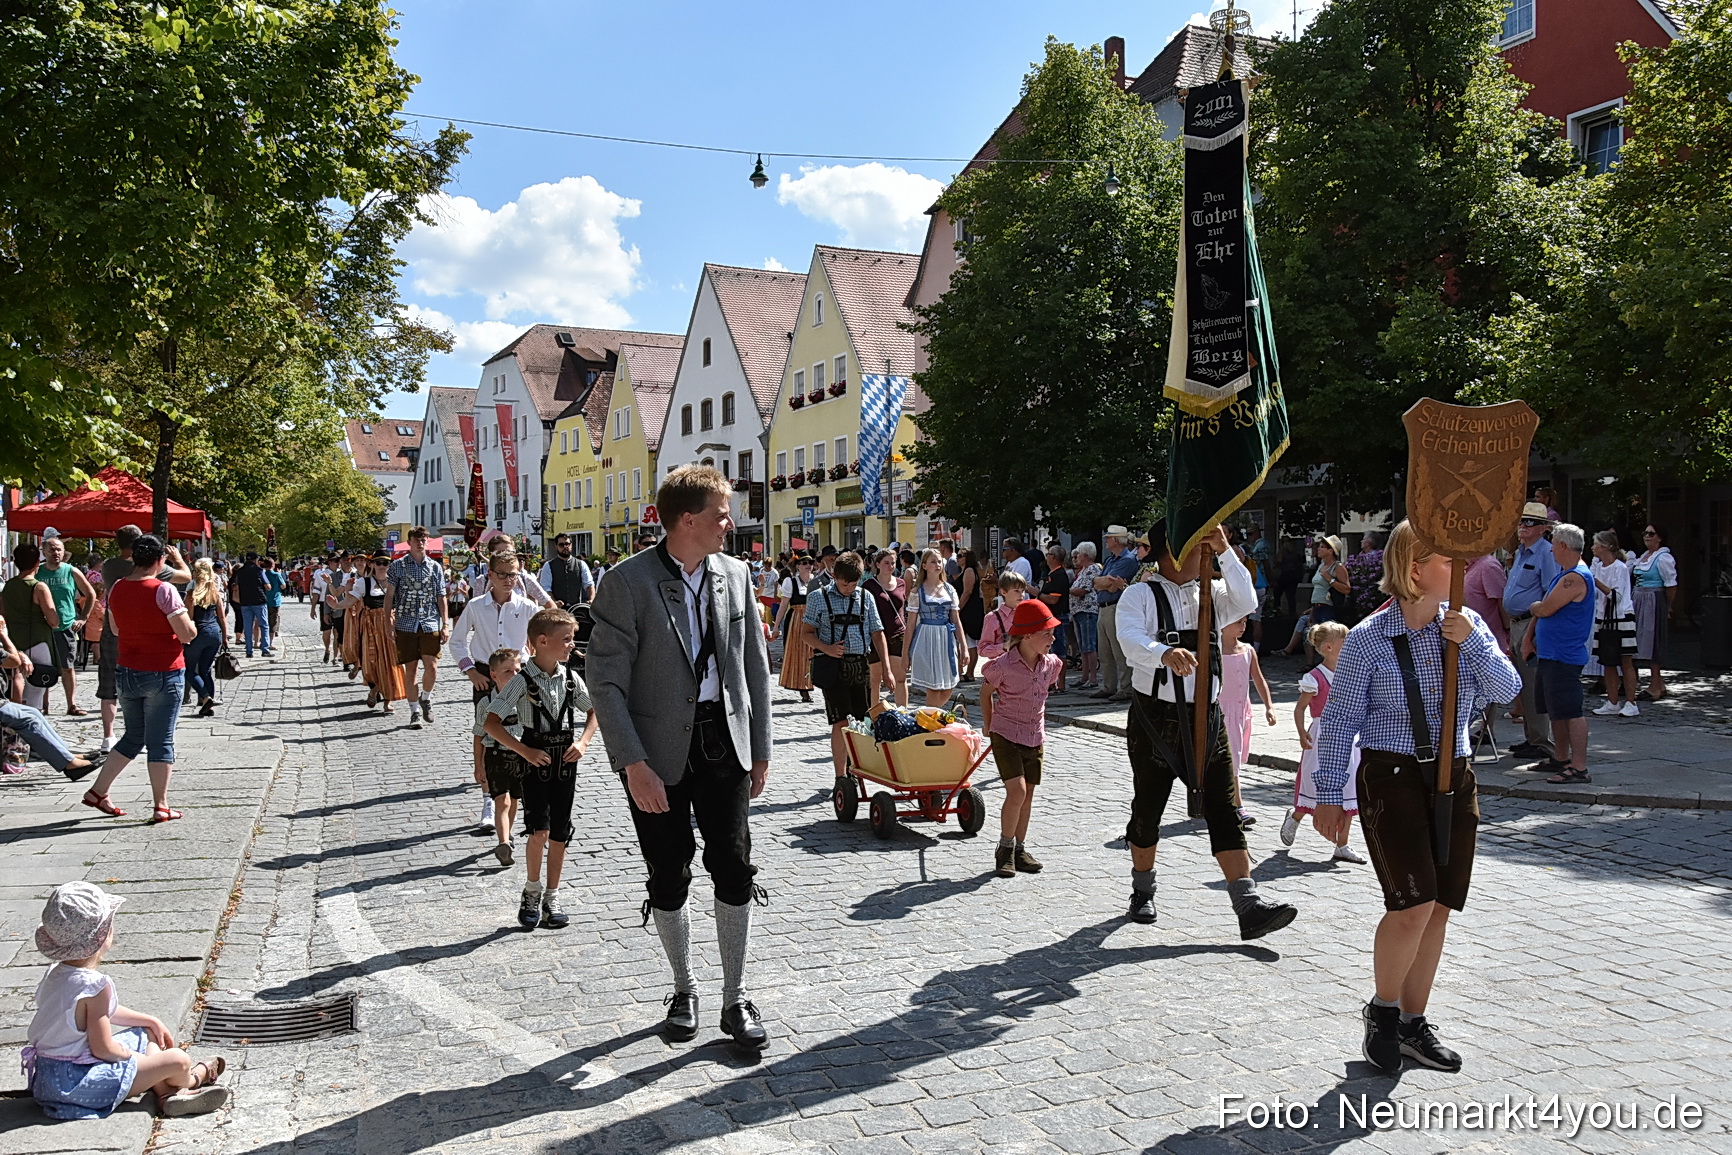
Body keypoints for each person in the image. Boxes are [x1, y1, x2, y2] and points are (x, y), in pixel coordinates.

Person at [1313, 520, 1521, 1076]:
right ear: (1413, 568)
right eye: (1448, 560)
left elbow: (1508, 690)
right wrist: (1329, 794)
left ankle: (1412, 1023)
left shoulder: (1466, 624)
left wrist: (1470, 640)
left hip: (1455, 775)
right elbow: (1340, 722)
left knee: (1440, 907)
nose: (1461, 568)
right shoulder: (1368, 637)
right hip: (1392, 777)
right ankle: (1382, 1012)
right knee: (1412, 903)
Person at [587, 464, 775, 1050]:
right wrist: (632, 764)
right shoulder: (626, 582)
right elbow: (605, 683)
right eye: (722, 514)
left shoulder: (735, 575)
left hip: (725, 742)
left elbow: (753, 667)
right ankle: (684, 987)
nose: (730, 523)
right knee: (668, 873)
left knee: (734, 866)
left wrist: (761, 749)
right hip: (656, 754)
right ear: (687, 520)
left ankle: (735, 997)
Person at [1116, 523, 1296, 938]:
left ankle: (1248, 904)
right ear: (1172, 553)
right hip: (1155, 718)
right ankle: (1143, 890)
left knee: (1225, 808)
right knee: (1148, 807)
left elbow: (1247, 600)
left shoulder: (1211, 594)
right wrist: (1163, 653)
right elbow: (1129, 639)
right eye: (1197, 546)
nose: (1204, 554)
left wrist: (1226, 549)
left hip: (1208, 718)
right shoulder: (1139, 595)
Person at [26, 882, 228, 1120]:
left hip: (47, 1080)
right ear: (103, 935)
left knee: (147, 1033)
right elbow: (104, 1049)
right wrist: (140, 1061)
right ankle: (191, 1081)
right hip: (78, 1085)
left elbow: (98, 1013)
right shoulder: (94, 986)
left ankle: (166, 1095)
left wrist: (150, 1020)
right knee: (178, 1060)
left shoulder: (55, 974)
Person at [484, 608, 598, 931]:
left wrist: (583, 742)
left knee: (561, 832)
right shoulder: (521, 681)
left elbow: (595, 711)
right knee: (539, 831)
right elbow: (491, 723)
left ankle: (553, 897)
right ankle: (532, 891)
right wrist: (525, 750)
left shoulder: (571, 679)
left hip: (565, 763)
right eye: (567, 639)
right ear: (543, 642)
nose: (572, 645)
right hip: (535, 762)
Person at [81, 535, 198, 823]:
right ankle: (161, 804)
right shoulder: (163, 590)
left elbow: (116, 629)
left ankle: (98, 790)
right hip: (163, 670)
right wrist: (191, 624)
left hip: (128, 669)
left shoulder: (118, 587)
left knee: (133, 736)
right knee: (161, 740)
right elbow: (186, 634)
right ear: (160, 560)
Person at [451, 555, 539, 831]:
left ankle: (520, 797)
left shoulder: (527, 606)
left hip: (518, 676)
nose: (509, 580)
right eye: (503, 574)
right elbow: (456, 642)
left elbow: (539, 641)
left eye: (514, 575)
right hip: (485, 676)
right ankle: (489, 799)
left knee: (523, 732)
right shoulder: (476, 606)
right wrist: (471, 672)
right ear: (490, 575)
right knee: (488, 735)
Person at [981, 600, 1063, 878]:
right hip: (1005, 733)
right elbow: (985, 693)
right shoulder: (1003, 666)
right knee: (1017, 791)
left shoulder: (1051, 665)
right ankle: (1004, 849)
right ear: (1027, 635)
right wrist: (988, 725)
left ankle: (1020, 849)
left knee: (1027, 794)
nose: (1053, 638)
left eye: (1053, 633)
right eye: (1047, 633)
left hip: (1034, 735)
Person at [96, 527, 189, 754]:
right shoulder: (157, 576)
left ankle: (108, 735)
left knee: (109, 688)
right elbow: (186, 576)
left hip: (116, 633)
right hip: (153, 646)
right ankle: (148, 737)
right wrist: (177, 559)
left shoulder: (109, 568)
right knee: (153, 699)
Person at [1279, 619, 1365, 862]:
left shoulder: (1351, 673)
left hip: (1349, 735)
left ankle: (1342, 844)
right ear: (1328, 647)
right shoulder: (1315, 677)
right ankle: (1296, 816)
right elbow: (1300, 708)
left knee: (1349, 787)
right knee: (1313, 783)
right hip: (1322, 735)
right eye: (1344, 641)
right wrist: (1301, 732)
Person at [804, 551, 891, 783]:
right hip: (833, 667)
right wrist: (826, 648)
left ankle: (856, 770)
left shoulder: (865, 597)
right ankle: (840, 776)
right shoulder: (818, 597)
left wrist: (887, 669)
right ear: (834, 576)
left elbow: (877, 634)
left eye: (853, 584)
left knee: (862, 722)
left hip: (860, 665)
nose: (849, 589)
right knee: (841, 721)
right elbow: (806, 633)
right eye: (845, 584)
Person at [1522, 523, 1593, 784]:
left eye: (1553, 545)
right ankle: (1561, 757)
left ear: (1563, 545)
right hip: (1551, 654)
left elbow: (1545, 608)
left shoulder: (1575, 577)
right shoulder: (1564, 574)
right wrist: (1529, 637)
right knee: (1556, 710)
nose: (1551, 550)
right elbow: (1545, 609)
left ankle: (1579, 767)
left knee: (1570, 711)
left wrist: (1534, 606)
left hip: (1564, 655)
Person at [1504, 502, 1561, 759]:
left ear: (1543, 528)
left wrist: (1533, 632)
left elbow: (1550, 595)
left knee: (1533, 684)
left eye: (1530, 522)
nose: (1523, 527)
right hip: (1517, 623)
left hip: (1531, 624)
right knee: (1523, 685)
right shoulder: (1520, 552)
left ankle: (1541, 741)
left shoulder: (1546, 553)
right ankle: (1531, 737)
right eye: (1521, 521)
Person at [385, 527, 450, 729]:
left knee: (432, 666)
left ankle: (426, 697)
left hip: (429, 621)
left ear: (427, 542)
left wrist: (445, 624)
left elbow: (441, 597)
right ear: (410, 542)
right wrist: (388, 622)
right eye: (416, 540)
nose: (420, 543)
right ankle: (414, 712)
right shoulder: (398, 566)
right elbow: (389, 596)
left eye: (423, 540)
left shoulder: (435, 567)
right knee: (411, 669)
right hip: (405, 622)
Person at [1218, 615, 1277, 831]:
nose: (1243, 626)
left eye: (1245, 622)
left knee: (1234, 756)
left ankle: (1220, 800)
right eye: (1237, 622)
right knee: (1231, 758)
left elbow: (1258, 679)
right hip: (1221, 711)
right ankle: (1238, 806)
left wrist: (1269, 706)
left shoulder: (1248, 650)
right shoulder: (1214, 651)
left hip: (1241, 711)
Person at [334, 554, 407, 713]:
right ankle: (374, 687)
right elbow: (350, 601)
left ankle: (387, 700)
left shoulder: (396, 582)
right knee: (371, 660)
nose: (382, 566)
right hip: (371, 627)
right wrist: (336, 605)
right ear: (372, 564)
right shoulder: (364, 583)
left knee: (391, 661)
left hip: (391, 625)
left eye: (385, 563)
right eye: (378, 563)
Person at [473, 648, 527, 865]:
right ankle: (503, 842)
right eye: (508, 672)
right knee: (501, 800)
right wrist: (478, 766)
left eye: (518, 670)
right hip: (496, 756)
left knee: (514, 799)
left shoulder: (525, 700)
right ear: (493, 675)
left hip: (521, 757)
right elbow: (478, 736)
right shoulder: (486, 703)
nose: (514, 675)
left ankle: (508, 834)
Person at [39, 536, 97, 716]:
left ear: (64, 552)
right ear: (44, 551)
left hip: (66, 626)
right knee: (44, 667)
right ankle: (43, 705)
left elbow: (90, 594)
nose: (55, 553)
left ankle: (71, 704)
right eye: (51, 549)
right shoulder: (38, 572)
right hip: (43, 627)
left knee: (68, 666)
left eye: (58, 549)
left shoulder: (71, 571)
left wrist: (83, 618)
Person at [2, 542, 61, 713]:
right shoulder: (38, 587)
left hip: (14, 641)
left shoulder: (8, 586)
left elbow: (3, 614)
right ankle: (33, 718)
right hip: (39, 641)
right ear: (37, 563)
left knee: (17, 682)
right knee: (37, 687)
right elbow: (53, 620)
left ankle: (17, 718)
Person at [906, 548, 968, 708]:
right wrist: (905, 653)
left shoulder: (949, 589)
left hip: (946, 639)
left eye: (939, 561)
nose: (937, 565)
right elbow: (910, 625)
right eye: (933, 562)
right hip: (926, 639)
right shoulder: (917, 591)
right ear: (924, 565)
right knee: (933, 688)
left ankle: (930, 715)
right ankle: (931, 718)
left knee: (948, 687)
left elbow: (956, 620)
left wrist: (964, 647)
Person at [1589, 531, 1639, 718]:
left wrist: (1595, 582)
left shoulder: (1620, 568)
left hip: (1621, 617)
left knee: (1626, 660)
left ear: (1605, 546)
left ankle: (1631, 702)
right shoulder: (1598, 567)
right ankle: (1612, 701)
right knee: (1607, 661)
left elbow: (1616, 595)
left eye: (1595, 544)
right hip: (1603, 617)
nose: (1592, 548)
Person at [1092, 527, 1140, 702]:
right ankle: (1109, 686)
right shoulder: (1111, 559)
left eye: (1109, 538)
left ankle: (1126, 688)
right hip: (1104, 607)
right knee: (1105, 651)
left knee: (1119, 650)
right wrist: (1103, 583)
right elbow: (1099, 582)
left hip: (1115, 607)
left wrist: (1103, 583)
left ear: (1117, 540)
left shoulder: (1127, 560)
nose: (1106, 540)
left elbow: (1109, 583)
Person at [1631, 524, 1677, 702]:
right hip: (1639, 599)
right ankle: (1659, 684)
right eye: (1645, 533)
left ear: (1660, 537)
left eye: (1651, 534)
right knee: (1640, 641)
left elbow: (1671, 585)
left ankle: (1655, 685)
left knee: (1653, 641)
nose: (1647, 536)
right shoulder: (1644, 556)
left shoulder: (1663, 558)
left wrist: (1667, 605)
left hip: (1653, 600)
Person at [182, 560, 229, 718]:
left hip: (198, 634)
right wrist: (224, 637)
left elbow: (189, 618)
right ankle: (207, 705)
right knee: (206, 670)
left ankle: (205, 697)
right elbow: (222, 617)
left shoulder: (191, 594)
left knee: (189, 669)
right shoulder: (215, 592)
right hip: (214, 633)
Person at [862, 549, 908, 707]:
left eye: (893, 563)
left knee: (900, 678)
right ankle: (873, 715)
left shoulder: (901, 583)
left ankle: (902, 713)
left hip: (897, 634)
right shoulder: (869, 585)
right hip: (875, 635)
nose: (890, 566)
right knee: (875, 680)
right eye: (886, 563)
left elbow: (904, 608)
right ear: (878, 564)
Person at [772, 555, 819, 704]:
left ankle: (813, 681)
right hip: (797, 620)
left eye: (810, 562)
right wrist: (776, 626)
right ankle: (803, 688)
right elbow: (783, 605)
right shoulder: (790, 582)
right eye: (804, 563)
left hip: (814, 619)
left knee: (814, 653)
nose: (808, 565)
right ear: (798, 566)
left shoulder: (816, 581)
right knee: (800, 653)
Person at [1069, 542, 1102, 690]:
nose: (1077, 557)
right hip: (1079, 611)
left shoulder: (1092, 569)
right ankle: (1084, 676)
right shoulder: (1083, 570)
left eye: (1079, 554)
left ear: (1086, 555)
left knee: (1089, 645)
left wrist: (1067, 590)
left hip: (1087, 610)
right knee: (1083, 646)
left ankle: (1093, 678)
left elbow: (1083, 590)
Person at [1039, 545, 1072, 693]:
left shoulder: (1059, 575)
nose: (1046, 557)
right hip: (1049, 617)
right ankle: (1052, 682)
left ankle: (1060, 683)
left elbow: (1053, 599)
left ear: (1053, 557)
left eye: (1048, 554)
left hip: (1058, 617)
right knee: (1050, 651)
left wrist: (1037, 593)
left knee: (1059, 651)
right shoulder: (1052, 574)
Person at [977, 570, 1028, 660]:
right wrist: (1005, 646)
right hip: (1002, 664)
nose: (1021, 595)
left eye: (1023, 591)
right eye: (1016, 591)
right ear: (1004, 592)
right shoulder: (992, 618)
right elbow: (982, 649)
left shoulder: (1027, 614)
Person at [539, 533, 594, 609]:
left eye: (567, 544)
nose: (565, 547)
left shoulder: (581, 564)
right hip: (556, 610)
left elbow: (589, 585)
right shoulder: (548, 565)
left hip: (576, 609)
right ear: (556, 547)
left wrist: (591, 600)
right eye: (561, 545)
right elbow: (545, 588)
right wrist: (554, 603)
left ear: (571, 545)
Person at [954, 548, 985, 681]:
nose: (957, 558)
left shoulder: (969, 570)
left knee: (970, 641)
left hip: (969, 609)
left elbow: (967, 591)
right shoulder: (964, 571)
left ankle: (970, 672)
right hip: (968, 608)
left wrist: (958, 609)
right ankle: (962, 671)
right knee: (965, 641)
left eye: (960, 556)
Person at [1308, 535, 1350, 626]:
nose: (1318, 549)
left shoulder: (1338, 567)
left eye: (1322, 547)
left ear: (1330, 551)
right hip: (1316, 608)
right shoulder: (1321, 565)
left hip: (1328, 609)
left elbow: (1347, 589)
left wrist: (1330, 579)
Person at [308, 556, 336, 663]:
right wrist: (313, 608)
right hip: (325, 604)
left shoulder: (341, 574)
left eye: (338, 561)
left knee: (337, 632)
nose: (337, 563)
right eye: (335, 561)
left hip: (338, 604)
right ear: (329, 562)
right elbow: (316, 592)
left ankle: (336, 656)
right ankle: (327, 649)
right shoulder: (321, 574)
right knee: (327, 631)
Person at [261, 557, 286, 642]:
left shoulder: (262, 574)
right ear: (273, 565)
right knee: (273, 622)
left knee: (264, 621)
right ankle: (270, 642)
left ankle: (263, 638)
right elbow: (283, 586)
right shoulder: (276, 575)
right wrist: (280, 574)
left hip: (263, 601)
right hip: (275, 601)